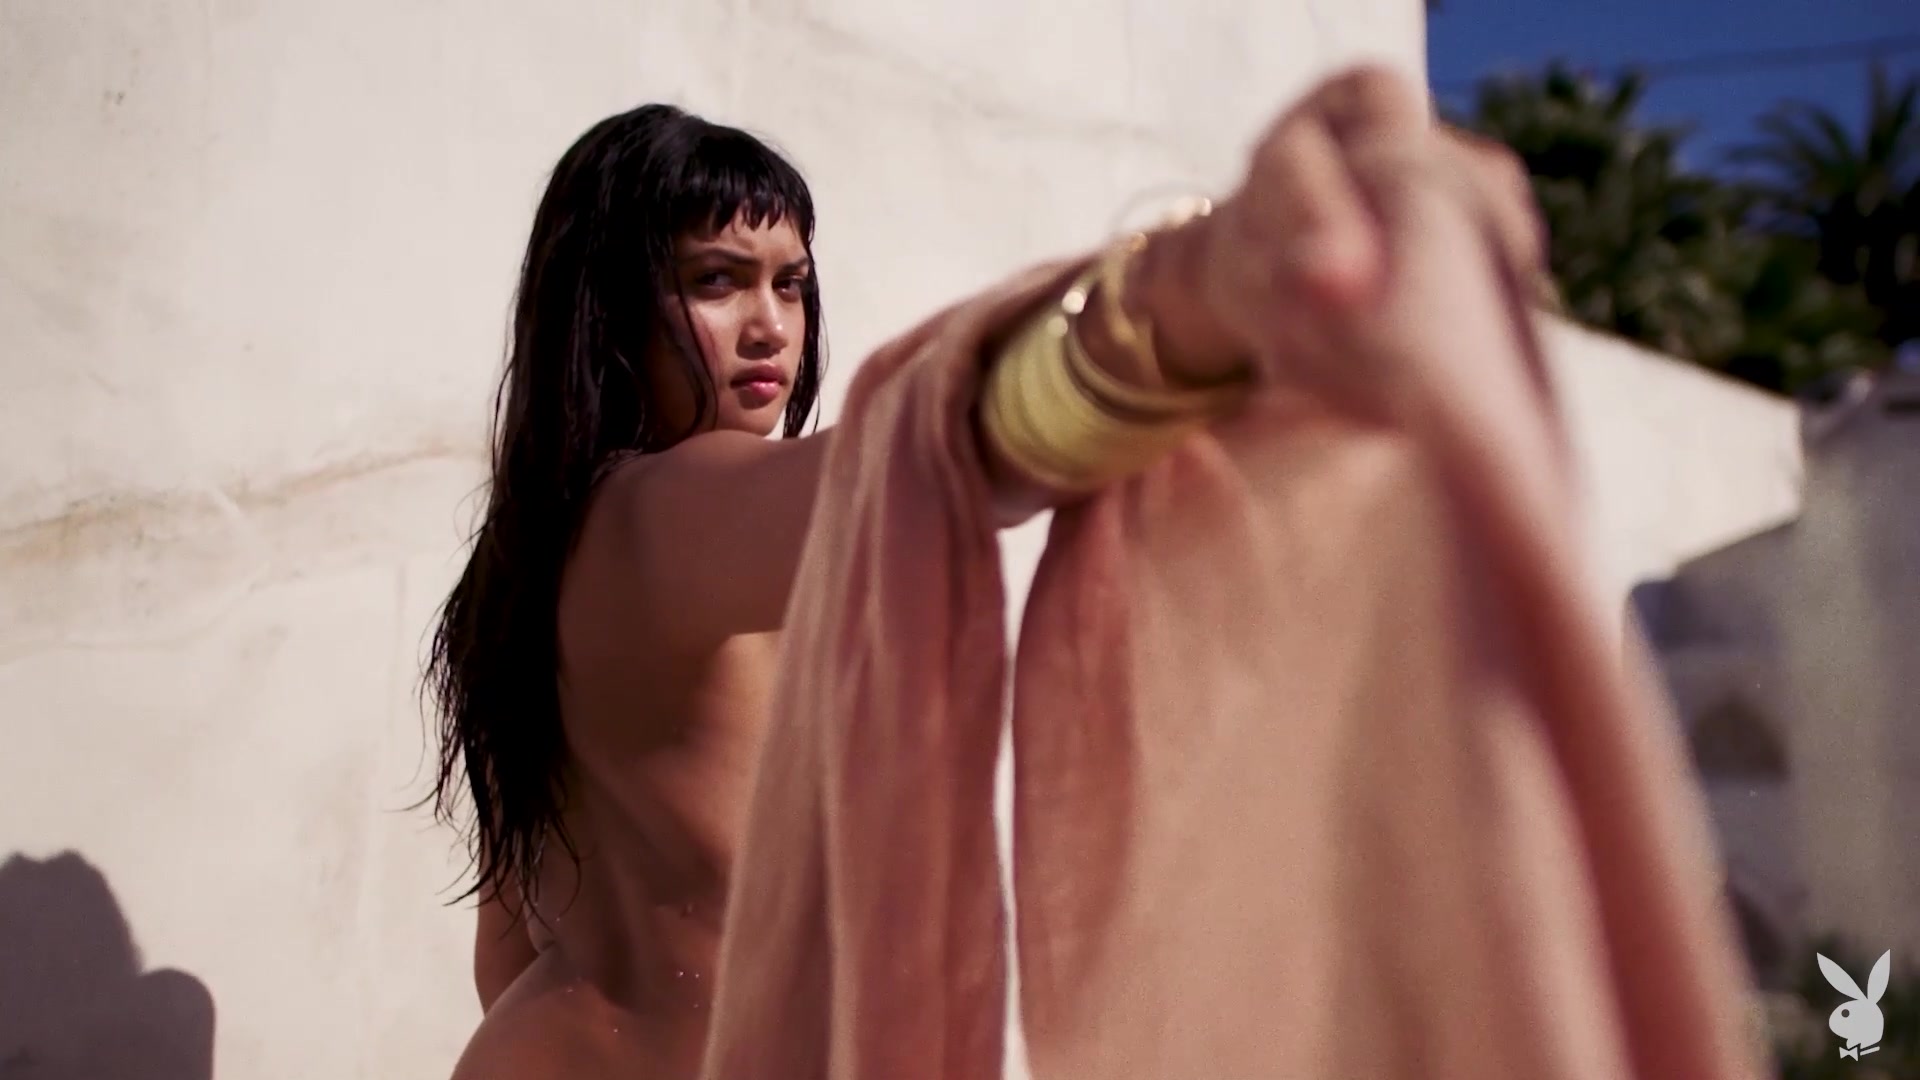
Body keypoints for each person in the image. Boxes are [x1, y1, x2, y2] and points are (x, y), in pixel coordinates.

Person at [427, 72, 1548, 1079]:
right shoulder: (668, 511)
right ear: (610, 307)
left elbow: (509, 941)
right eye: (716, 281)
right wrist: (1180, 307)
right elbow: (920, 458)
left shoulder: (527, 568)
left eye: (792, 284)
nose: (769, 325)